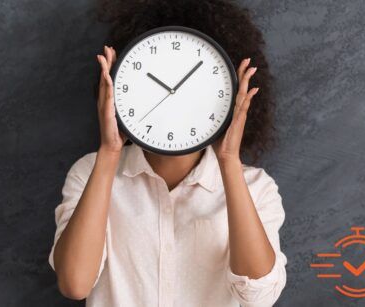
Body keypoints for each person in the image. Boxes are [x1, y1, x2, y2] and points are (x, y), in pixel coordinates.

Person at [48, 0, 287, 306]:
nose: (175, 97)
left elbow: (259, 297)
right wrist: (109, 153)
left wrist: (229, 162)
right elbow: (74, 284)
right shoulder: (90, 173)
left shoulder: (256, 188)